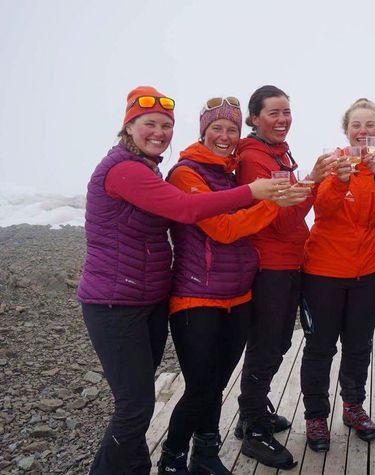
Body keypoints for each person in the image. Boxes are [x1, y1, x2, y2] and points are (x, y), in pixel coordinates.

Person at [78, 86, 288, 474]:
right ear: (129, 126)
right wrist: (258, 196)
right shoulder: (126, 169)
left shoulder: (152, 168)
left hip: (155, 297)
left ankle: (192, 457)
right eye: (149, 124)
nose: (159, 132)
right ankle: (169, 458)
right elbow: (189, 210)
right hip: (119, 300)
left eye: (165, 125)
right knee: (136, 406)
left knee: (167, 396)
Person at [157, 96, 309, 474]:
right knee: (201, 386)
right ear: (203, 131)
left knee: (217, 382)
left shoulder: (229, 171)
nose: (225, 136)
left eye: (231, 130)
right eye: (217, 129)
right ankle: (172, 457)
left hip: (237, 294)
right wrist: (272, 200)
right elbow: (223, 229)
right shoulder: (185, 173)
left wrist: (281, 196)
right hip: (197, 296)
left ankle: (206, 454)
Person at [235, 85, 335, 469]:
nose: (283, 119)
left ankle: (252, 413)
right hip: (269, 264)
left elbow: (291, 206)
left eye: (287, 112)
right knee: (266, 345)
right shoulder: (254, 159)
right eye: (274, 113)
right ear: (255, 117)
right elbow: (283, 216)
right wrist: (313, 179)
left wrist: (307, 180)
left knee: (276, 343)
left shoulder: (277, 152)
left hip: (288, 261)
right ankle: (255, 430)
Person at [299, 98, 375, 452]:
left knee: (358, 347)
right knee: (320, 347)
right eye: (356, 126)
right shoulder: (331, 165)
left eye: (370, 125)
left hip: (368, 273)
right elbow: (322, 211)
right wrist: (339, 182)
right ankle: (315, 416)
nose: (363, 132)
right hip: (323, 273)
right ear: (346, 131)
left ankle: (353, 407)